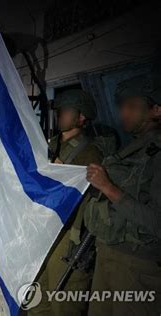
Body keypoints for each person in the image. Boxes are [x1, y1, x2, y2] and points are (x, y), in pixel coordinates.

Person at [85, 72, 161, 315]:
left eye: (132, 106)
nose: (123, 113)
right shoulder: (133, 146)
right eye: (121, 106)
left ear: (156, 110)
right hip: (109, 252)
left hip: (138, 266)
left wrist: (108, 188)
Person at [30, 89, 103, 316]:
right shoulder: (49, 143)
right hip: (42, 229)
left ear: (81, 117)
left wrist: (64, 173)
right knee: (37, 297)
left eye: (66, 111)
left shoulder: (92, 151)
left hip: (69, 233)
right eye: (59, 110)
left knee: (63, 300)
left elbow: (96, 194)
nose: (60, 114)